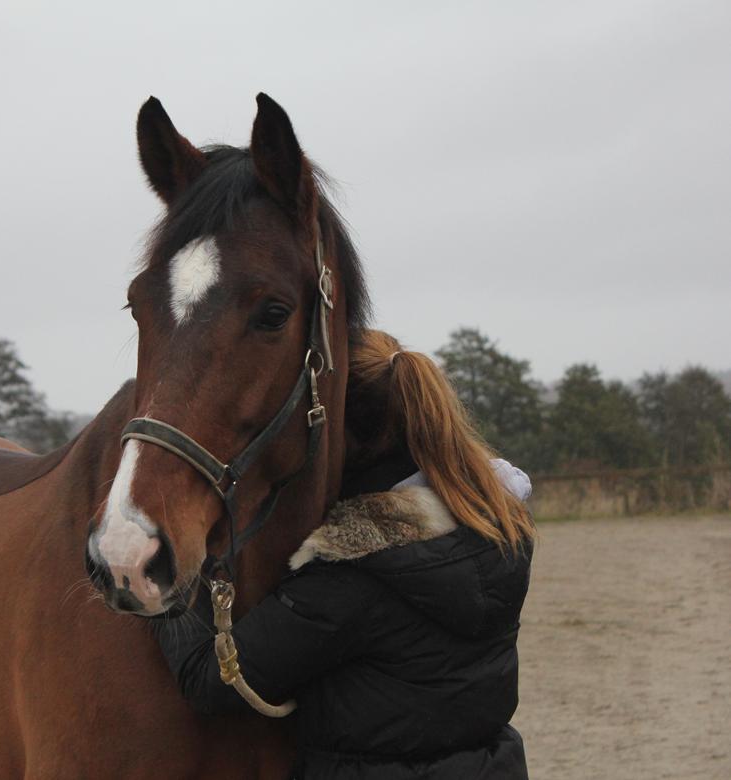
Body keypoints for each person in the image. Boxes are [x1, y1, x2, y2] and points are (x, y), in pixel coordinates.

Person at [154, 330, 536, 779]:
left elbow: (213, 680)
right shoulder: (495, 526)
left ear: (335, 435)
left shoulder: (352, 575)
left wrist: (168, 569)